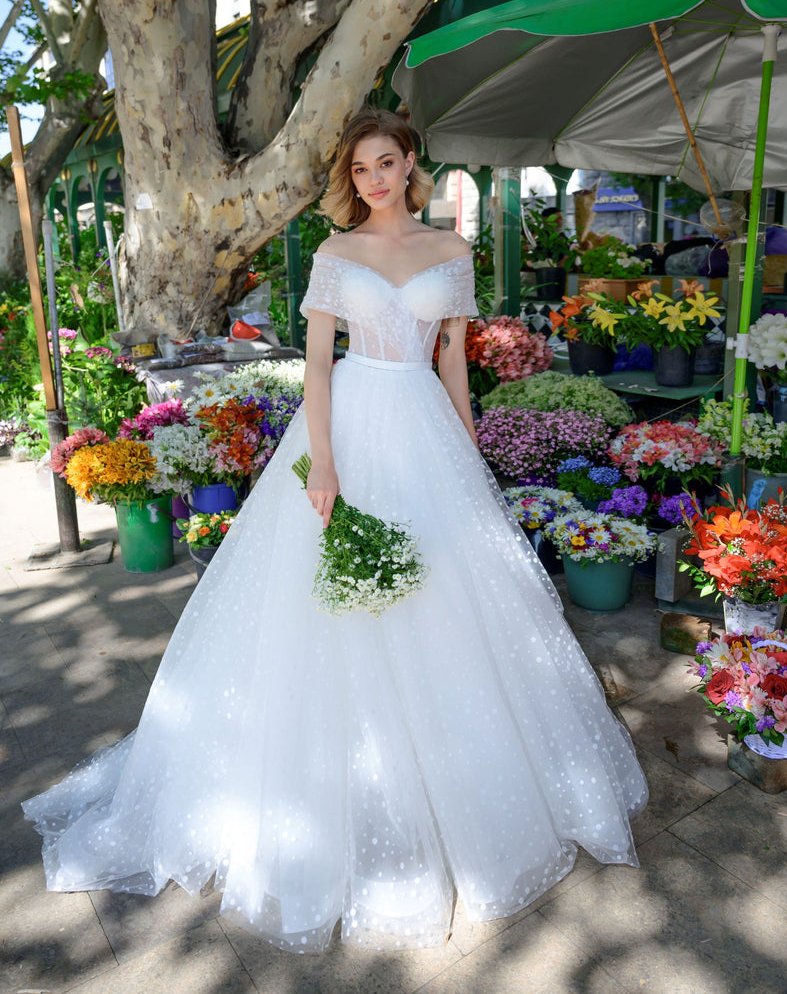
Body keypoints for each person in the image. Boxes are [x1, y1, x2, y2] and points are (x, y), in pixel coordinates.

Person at [22, 108, 647, 954]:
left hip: (424, 425)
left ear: (410, 164)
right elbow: (317, 362)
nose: (375, 180)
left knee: (447, 600)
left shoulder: (451, 253)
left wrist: (472, 465)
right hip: (349, 423)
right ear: (350, 179)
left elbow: (454, 360)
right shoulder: (334, 255)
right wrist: (322, 462)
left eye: (386, 164)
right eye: (360, 170)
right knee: (320, 601)